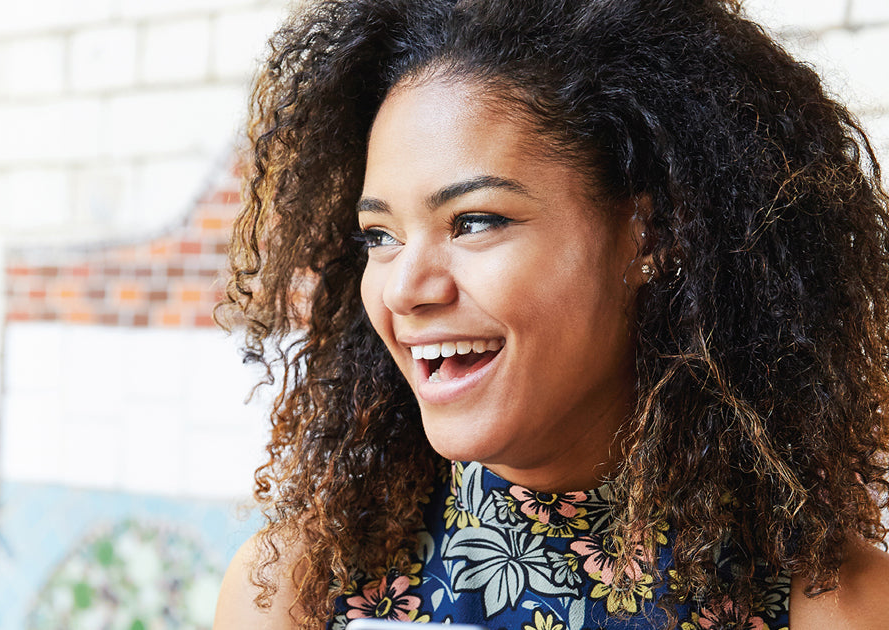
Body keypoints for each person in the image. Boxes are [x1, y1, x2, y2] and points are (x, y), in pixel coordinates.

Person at [213, 0, 889, 628]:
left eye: (473, 221)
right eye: (379, 237)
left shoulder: (834, 604)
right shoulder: (294, 590)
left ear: (652, 237)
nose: (404, 289)